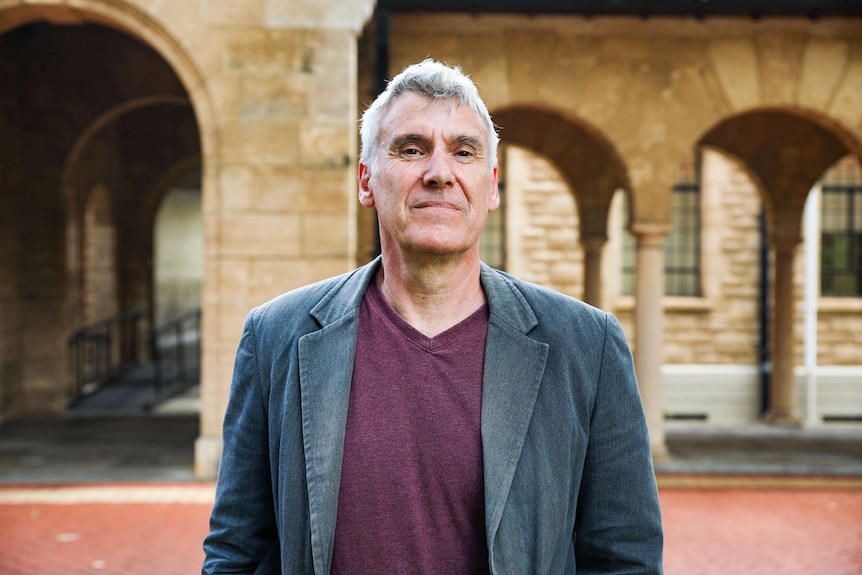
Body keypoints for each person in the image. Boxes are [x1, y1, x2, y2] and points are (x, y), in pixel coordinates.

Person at [203, 59, 663, 575]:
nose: (439, 172)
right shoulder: (275, 338)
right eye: (411, 149)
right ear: (366, 181)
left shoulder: (587, 346)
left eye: (463, 152)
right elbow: (236, 551)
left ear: (491, 187)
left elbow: (625, 558)